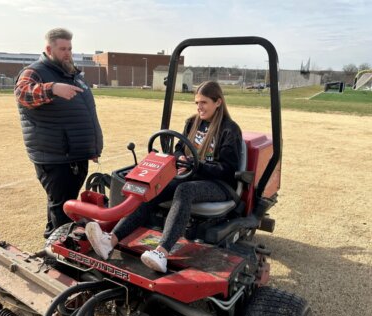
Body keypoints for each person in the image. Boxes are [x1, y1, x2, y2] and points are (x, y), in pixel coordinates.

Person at [85, 81, 242, 273]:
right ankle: (111, 240)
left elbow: (227, 169)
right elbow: (177, 150)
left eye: (204, 102)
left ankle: (161, 252)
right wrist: (181, 158)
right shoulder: (193, 123)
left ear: (218, 102)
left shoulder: (229, 129)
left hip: (219, 184)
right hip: (191, 175)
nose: (199, 107)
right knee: (153, 188)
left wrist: (196, 165)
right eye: (197, 103)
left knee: (185, 190)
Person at [14, 28, 103, 239]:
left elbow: (85, 114)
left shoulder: (72, 74)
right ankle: (60, 253)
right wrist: (52, 88)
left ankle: (52, 240)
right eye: (62, 49)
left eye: (70, 48)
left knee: (64, 204)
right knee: (62, 208)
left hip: (75, 154)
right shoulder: (35, 72)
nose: (68, 53)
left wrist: (91, 148)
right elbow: (22, 94)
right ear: (48, 49)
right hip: (56, 156)